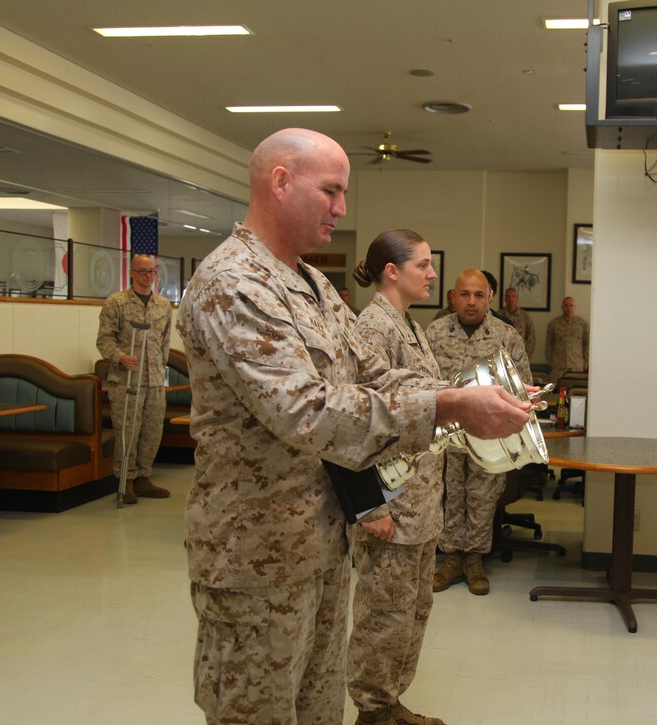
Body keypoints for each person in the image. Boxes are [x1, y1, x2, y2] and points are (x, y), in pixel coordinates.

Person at [177, 128, 532, 724]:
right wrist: (446, 407)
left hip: (321, 541)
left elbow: (370, 375)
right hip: (254, 556)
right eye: (332, 191)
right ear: (281, 182)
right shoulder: (234, 282)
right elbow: (306, 411)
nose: (343, 209)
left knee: (320, 710)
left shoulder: (312, 285)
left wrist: (464, 396)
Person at [347, 229, 446, 725]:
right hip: (391, 503)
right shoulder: (373, 329)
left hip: (420, 501)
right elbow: (357, 422)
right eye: (423, 265)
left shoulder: (408, 325)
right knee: (383, 615)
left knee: (411, 611)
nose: (432, 274)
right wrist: (370, 505)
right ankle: (373, 709)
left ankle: (389, 703)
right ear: (393, 271)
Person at [426, 269, 532, 595]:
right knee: (448, 497)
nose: (471, 302)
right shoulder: (434, 333)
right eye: (464, 295)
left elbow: (523, 388)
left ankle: (474, 559)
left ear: (490, 298)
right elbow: (420, 383)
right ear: (453, 296)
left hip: (488, 440)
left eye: (478, 295)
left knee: (482, 499)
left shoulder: (507, 335)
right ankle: (451, 558)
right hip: (446, 437)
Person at [96, 253, 172, 504]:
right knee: (128, 430)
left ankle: (143, 477)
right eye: (142, 271)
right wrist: (119, 357)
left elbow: (164, 343)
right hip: (126, 379)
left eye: (152, 271)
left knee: (152, 429)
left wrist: (162, 369)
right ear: (131, 273)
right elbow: (104, 340)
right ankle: (125, 480)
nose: (147, 276)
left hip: (154, 378)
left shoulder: (163, 305)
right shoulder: (116, 303)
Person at [545, 296, 589, 385]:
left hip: (576, 365)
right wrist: (549, 360)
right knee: (558, 390)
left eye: (571, 305)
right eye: (566, 305)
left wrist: (586, 361)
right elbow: (549, 343)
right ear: (562, 307)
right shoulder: (553, 324)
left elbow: (587, 343)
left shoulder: (582, 324)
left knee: (575, 389)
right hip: (558, 365)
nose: (568, 308)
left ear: (575, 307)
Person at [498, 287, 536, 357]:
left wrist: (527, 354)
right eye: (508, 296)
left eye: (513, 296)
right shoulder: (498, 315)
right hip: (502, 355)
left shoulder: (525, 316)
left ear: (517, 299)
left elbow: (531, 337)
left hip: (521, 354)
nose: (511, 299)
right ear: (505, 299)